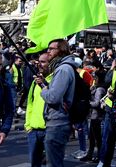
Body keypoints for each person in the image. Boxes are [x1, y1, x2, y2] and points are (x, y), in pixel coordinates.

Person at [34, 39, 77, 167]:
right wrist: (45, 84)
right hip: (56, 120)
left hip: (58, 122)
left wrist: (44, 90)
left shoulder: (63, 69)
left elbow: (53, 97)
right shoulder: (63, 68)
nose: (48, 51)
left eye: (51, 48)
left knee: (53, 163)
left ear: (61, 50)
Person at [25, 52, 51, 167]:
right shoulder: (35, 82)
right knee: (35, 163)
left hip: (49, 130)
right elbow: (30, 103)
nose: (39, 64)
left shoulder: (56, 80)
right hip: (33, 131)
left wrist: (44, 83)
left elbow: (55, 97)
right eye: (38, 62)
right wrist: (28, 125)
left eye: (43, 62)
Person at [81, 66, 106, 163]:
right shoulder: (96, 87)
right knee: (92, 137)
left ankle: (98, 155)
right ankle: (90, 154)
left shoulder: (100, 89)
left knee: (97, 138)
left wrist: (86, 102)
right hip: (93, 116)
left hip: (97, 116)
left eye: (94, 76)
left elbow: (96, 103)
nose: (93, 78)